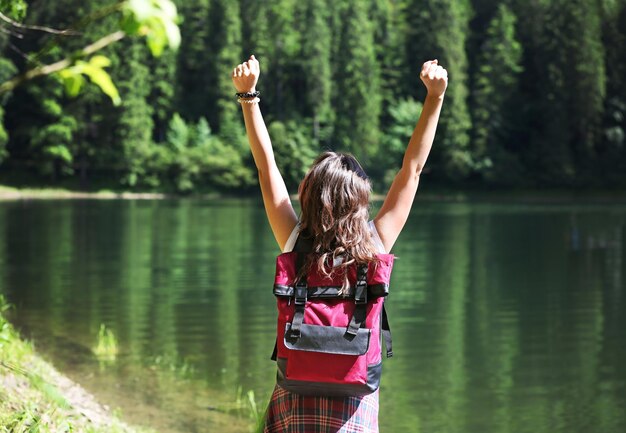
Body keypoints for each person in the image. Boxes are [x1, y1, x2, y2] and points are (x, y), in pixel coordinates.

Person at [232, 54, 447, 433]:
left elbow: (267, 169)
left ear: (309, 196)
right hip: (354, 404)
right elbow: (411, 171)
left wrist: (249, 97)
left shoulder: (295, 241)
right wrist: (435, 98)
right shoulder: (374, 246)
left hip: (294, 398)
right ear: (359, 201)